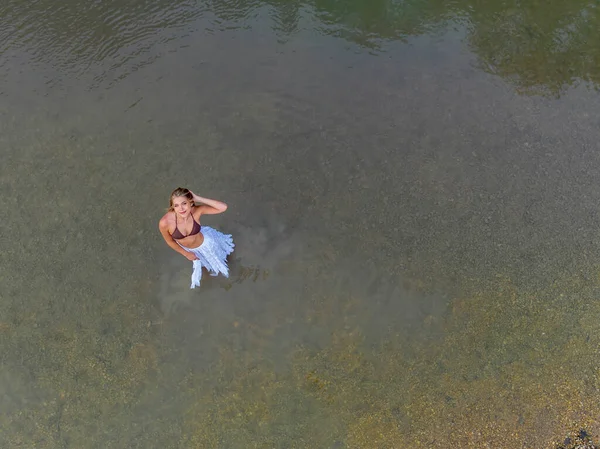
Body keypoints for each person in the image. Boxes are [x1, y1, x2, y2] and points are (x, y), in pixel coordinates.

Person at [159, 187, 234, 288]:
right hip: (189, 250)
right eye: (176, 205)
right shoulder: (165, 223)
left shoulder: (196, 211)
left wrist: (198, 198)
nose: (181, 209)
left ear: (190, 202)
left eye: (184, 203)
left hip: (206, 244)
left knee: (223, 258)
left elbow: (223, 207)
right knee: (204, 266)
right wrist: (186, 254)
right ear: (172, 206)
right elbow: (170, 241)